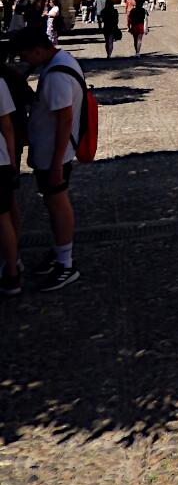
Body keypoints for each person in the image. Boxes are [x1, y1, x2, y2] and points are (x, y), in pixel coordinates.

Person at [9, 26, 84, 291]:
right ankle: (60, 252)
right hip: (51, 152)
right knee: (54, 203)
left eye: (25, 56)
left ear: (38, 50)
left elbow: (64, 120)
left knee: (57, 204)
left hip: (55, 155)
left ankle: (66, 263)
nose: (25, 61)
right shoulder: (59, 62)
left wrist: (55, 165)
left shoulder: (56, 76)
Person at [0, 74, 21, 295]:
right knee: (3, 215)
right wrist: (13, 160)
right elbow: (7, 125)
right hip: (1, 159)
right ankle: (13, 270)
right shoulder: (0, 82)